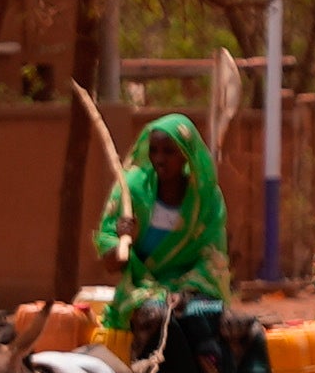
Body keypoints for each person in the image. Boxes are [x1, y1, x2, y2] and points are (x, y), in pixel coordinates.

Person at [96, 112, 230, 327]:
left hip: (192, 292)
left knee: (208, 316)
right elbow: (110, 264)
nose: (159, 159)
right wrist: (124, 240)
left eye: (168, 152)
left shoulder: (206, 200)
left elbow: (212, 257)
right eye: (154, 150)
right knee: (159, 318)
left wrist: (183, 294)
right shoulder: (131, 192)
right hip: (142, 292)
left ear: (186, 154)